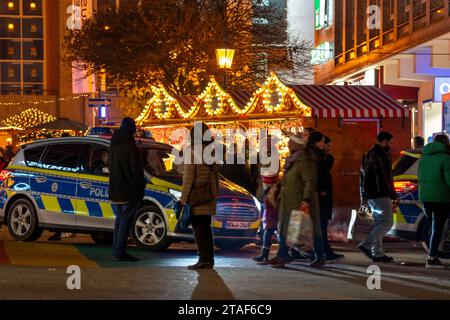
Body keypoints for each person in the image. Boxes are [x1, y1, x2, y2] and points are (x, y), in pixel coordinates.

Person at [269, 133, 325, 268]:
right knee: (285, 229)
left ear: (298, 144)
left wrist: (306, 199)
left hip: (300, 201)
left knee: (312, 231)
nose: (288, 144)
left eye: (290, 142)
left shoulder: (305, 161)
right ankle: (282, 256)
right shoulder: (292, 161)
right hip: (288, 201)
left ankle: (320, 256)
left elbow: (310, 181)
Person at [180, 122, 219, 270]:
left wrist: (184, 199)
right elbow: (216, 176)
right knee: (206, 228)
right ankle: (209, 259)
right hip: (209, 196)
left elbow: (188, 179)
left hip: (197, 197)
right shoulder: (212, 152)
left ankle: (203, 259)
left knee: (199, 229)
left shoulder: (192, 152)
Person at [109, 117, 146, 262]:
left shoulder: (113, 145)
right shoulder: (130, 147)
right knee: (125, 221)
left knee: (119, 220)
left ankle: (116, 249)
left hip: (115, 190)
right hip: (128, 190)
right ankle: (120, 251)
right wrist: (140, 188)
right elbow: (137, 171)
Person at [359, 131, 397, 263]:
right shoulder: (381, 154)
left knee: (378, 223)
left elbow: (362, 178)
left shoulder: (367, 154)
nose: (391, 146)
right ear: (385, 141)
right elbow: (385, 177)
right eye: (390, 143)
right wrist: (393, 194)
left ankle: (377, 253)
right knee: (387, 222)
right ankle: (367, 244)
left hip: (371, 195)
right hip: (381, 193)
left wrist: (363, 197)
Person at [418, 133, 450, 269]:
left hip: (425, 198)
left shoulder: (423, 158)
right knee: (438, 227)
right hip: (441, 198)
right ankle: (431, 258)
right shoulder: (446, 159)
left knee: (433, 226)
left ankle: (433, 256)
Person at [318, 136, 345, 263]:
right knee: (320, 226)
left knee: (321, 226)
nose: (329, 148)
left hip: (322, 198)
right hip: (319, 198)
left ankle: (322, 252)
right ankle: (324, 253)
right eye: (326, 144)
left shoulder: (325, 158)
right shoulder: (318, 158)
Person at [252, 183, 280, 264]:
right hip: (269, 218)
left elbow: (274, 206)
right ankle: (264, 256)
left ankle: (264, 257)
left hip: (272, 218)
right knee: (266, 236)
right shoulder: (270, 190)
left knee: (267, 236)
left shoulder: (274, 191)